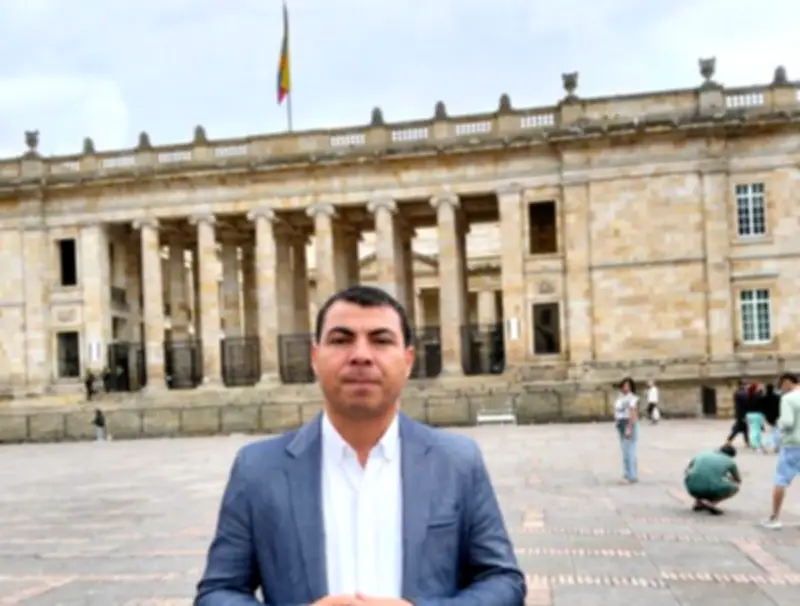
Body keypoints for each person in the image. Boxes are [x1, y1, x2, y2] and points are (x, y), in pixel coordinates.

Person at [195, 285, 526, 605]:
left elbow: (503, 583)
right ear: (315, 357)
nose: (361, 356)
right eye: (341, 340)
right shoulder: (258, 469)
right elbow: (217, 592)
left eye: (381, 340)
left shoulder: (457, 461)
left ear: (408, 360)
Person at [761, 372, 800, 530]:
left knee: (781, 480)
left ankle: (774, 517)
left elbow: (787, 422)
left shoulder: (788, 399)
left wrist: (778, 425)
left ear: (786, 383)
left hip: (793, 444)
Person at [683, 445, 741, 515]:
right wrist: (727, 477)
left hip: (692, 487)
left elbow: (687, 470)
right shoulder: (730, 461)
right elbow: (738, 480)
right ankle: (711, 504)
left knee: (697, 478)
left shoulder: (702, 455)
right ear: (732, 455)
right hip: (711, 488)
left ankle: (698, 502)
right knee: (736, 486)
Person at [613, 377, 639, 484]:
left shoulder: (632, 398)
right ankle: (627, 473)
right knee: (625, 451)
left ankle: (631, 475)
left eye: (627, 386)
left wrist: (629, 427)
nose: (625, 388)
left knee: (629, 451)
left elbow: (633, 413)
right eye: (624, 385)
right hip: (621, 423)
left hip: (628, 422)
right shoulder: (620, 397)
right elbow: (617, 410)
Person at [725, 379, 750, 448]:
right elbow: (746, 402)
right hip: (741, 414)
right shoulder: (741, 393)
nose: (747, 386)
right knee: (737, 429)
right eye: (745, 384)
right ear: (742, 385)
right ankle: (728, 441)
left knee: (745, 428)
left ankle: (747, 443)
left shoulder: (739, 392)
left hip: (740, 413)